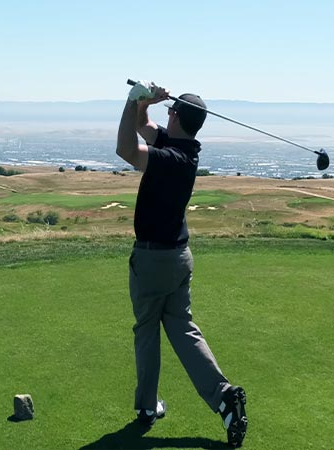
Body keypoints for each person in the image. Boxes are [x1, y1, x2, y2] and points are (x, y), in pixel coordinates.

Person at [115, 80, 248, 448]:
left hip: (153, 258)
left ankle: (146, 408)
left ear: (175, 116)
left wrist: (130, 102)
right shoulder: (183, 147)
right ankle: (224, 397)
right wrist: (145, 103)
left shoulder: (171, 159)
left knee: (147, 329)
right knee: (183, 329)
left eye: (170, 110)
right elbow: (144, 127)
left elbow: (125, 148)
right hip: (178, 257)